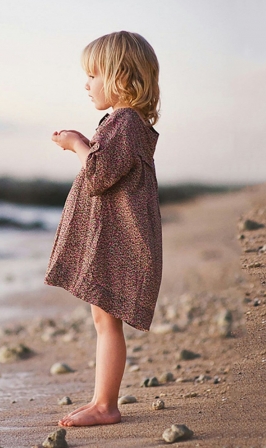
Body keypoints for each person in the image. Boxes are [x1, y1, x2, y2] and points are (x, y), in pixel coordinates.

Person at [44, 30, 162, 427]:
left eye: (93, 75)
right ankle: (102, 400)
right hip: (116, 239)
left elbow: (98, 174)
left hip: (119, 241)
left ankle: (105, 405)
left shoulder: (126, 122)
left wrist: (78, 143)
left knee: (106, 321)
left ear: (121, 77)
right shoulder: (123, 122)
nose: (86, 83)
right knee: (102, 320)